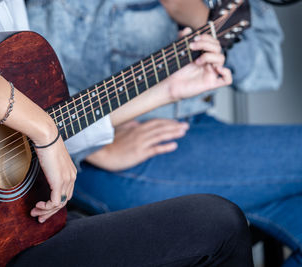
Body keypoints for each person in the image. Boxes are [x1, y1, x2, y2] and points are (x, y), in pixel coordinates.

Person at [0, 0, 254, 266]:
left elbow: (39, 134)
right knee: (219, 223)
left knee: (217, 223)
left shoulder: (14, 9)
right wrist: (44, 132)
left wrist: (168, 90)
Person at [26, 0, 302, 266]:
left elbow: (266, 72)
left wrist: (199, 15)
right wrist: (98, 148)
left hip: (199, 131)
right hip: (108, 155)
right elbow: (32, 86)